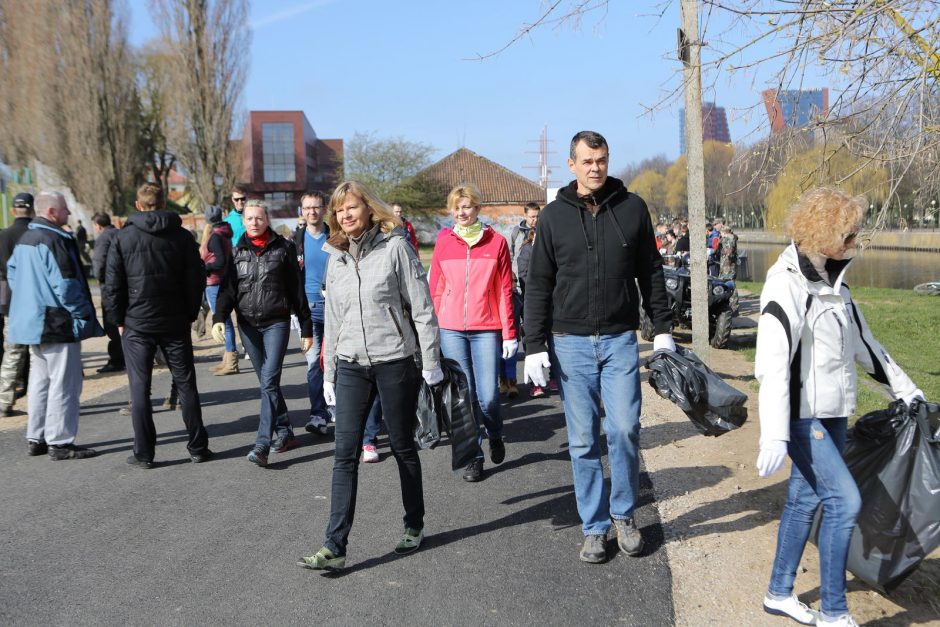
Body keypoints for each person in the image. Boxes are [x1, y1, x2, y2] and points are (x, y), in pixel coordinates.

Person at [754, 187, 924, 627]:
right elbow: (772, 366)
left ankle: (779, 592)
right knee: (844, 501)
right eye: (849, 235)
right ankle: (834, 611)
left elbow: (867, 348)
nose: (855, 243)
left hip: (832, 415)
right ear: (824, 233)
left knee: (802, 501)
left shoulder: (836, 287)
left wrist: (907, 391)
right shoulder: (785, 285)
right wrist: (774, 432)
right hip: (800, 417)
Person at [523, 130, 675, 563]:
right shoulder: (553, 217)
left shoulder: (632, 208)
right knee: (583, 438)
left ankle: (624, 514)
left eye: (602, 160)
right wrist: (535, 344)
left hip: (619, 339)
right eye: (587, 161)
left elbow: (651, 272)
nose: (595, 168)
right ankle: (594, 526)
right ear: (571, 164)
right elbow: (538, 285)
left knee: (625, 430)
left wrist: (661, 329)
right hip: (569, 342)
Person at [298, 181, 442, 572]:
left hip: (395, 361)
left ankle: (414, 523)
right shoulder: (335, 256)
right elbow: (333, 317)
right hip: (350, 365)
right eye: (339, 210)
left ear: (368, 209)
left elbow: (423, 308)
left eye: (352, 207)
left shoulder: (396, 248)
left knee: (401, 445)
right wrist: (328, 372)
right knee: (344, 454)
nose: (346, 215)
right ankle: (335, 545)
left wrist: (430, 363)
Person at [103, 183, 212, 468]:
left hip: (137, 323)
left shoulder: (122, 237)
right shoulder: (182, 236)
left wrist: (118, 321)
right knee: (186, 384)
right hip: (174, 320)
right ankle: (198, 447)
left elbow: (112, 285)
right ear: (164, 203)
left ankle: (145, 453)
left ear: (138, 205)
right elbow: (196, 278)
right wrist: (190, 312)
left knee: (139, 388)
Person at [212, 200, 313, 467]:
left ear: (267, 220)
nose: (254, 222)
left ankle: (261, 444)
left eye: (259, 218)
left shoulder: (284, 248)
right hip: (247, 325)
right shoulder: (236, 252)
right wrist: (219, 318)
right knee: (267, 383)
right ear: (242, 221)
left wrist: (305, 326)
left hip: (276, 323)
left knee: (269, 381)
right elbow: (228, 290)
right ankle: (285, 432)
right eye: (249, 218)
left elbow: (296, 289)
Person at [430, 184, 516, 482]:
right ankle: (474, 457)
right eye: (456, 207)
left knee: (489, 396)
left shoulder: (497, 242)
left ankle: (495, 433)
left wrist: (510, 334)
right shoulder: (443, 243)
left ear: (477, 209)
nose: (461, 212)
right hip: (451, 328)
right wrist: (433, 330)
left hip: (485, 328)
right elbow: (436, 289)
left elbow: (505, 291)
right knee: (463, 398)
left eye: (466, 206)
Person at [7, 191, 104, 459]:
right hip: (56, 322)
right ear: (52, 212)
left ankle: (36, 436)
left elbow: (13, 273)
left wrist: (31, 298)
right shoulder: (55, 239)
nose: (68, 214)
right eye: (64, 209)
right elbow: (67, 285)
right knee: (65, 383)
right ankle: (60, 441)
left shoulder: (27, 238)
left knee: (39, 381)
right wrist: (83, 313)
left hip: (33, 321)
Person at [292, 191, 332, 435]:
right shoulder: (295, 240)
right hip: (307, 312)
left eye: (316, 207)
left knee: (337, 362)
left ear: (324, 209)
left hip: (336, 310)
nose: (311, 212)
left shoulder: (336, 236)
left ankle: (337, 407)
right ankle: (318, 414)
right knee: (313, 364)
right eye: (307, 208)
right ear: (301, 210)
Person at [501, 201, 541, 398]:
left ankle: (536, 377)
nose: (534, 220)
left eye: (537, 216)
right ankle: (509, 379)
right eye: (532, 216)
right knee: (514, 332)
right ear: (525, 215)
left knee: (531, 332)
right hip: (517, 289)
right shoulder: (515, 233)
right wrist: (510, 281)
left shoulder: (543, 231)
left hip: (536, 289)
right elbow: (507, 257)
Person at [0, 192, 35, 416]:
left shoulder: (3, 236)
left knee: (12, 353)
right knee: (38, 354)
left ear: (13, 211)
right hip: (35, 300)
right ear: (32, 210)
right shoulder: (37, 233)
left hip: (11, 301)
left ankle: (4, 401)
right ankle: (39, 401)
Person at [200, 205, 238, 376]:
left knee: (223, 322)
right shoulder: (224, 233)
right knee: (225, 322)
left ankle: (231, 362)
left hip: (215, 281)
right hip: (219, 280)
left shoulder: (215, 236)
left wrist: (205, 267)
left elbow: (220, 261)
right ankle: (227, 359)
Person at [91, 212, 125, 373]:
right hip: (125, 285)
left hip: (109, 288)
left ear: (98, 226)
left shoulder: (103, 239)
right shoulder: (121, 233)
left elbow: (99, 266)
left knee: (112, 325)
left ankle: (117, 359)